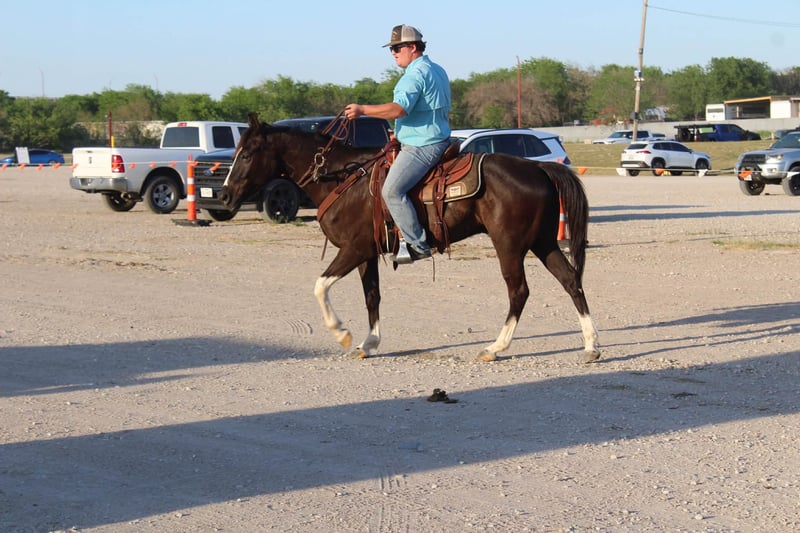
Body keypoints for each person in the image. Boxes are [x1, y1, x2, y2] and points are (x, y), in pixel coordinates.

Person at [344, 24, 451, 264]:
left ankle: (418, 244)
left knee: (391, 191)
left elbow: (399, 109)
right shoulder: (438, 70)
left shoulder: (413, 76)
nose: (392, 53)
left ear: (412, 47)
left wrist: (362, 110)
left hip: (423, 145)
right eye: (391, 48)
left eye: (396, 47)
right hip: (442, 139)